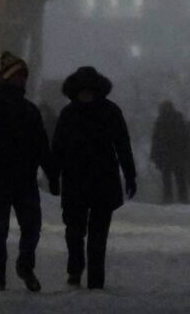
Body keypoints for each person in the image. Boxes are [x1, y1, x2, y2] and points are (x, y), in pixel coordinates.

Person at [0, 51, 55, 294]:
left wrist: (52, 173)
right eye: (19, 76)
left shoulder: (27, 110)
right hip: (0, 176)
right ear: (7, 77)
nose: (22, 81)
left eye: (24, 77)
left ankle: (23, 267)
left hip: (22, 177)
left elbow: (42, 146)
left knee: (30, 227)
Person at [51, 66, 136, 290]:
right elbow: (58, 148)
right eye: (83, 90)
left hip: (91, 181)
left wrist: (130, 174)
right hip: (89, 180)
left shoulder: (73, 114)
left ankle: (93, 278)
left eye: (89, 90)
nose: (86, 95)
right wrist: (53, 174)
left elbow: (123, 145)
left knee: (95, 235)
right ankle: (77, 268)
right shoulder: (104, 112)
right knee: (75, 231)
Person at [150, 100, 189, 204]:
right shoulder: (178, 119)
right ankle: (183, 200)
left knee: (169, 181)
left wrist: (155, 156)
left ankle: (169, 200)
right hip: (176, 156)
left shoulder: (161, 121)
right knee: (179, 180)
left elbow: (156, 140)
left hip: (167, 156)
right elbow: (185, 138)